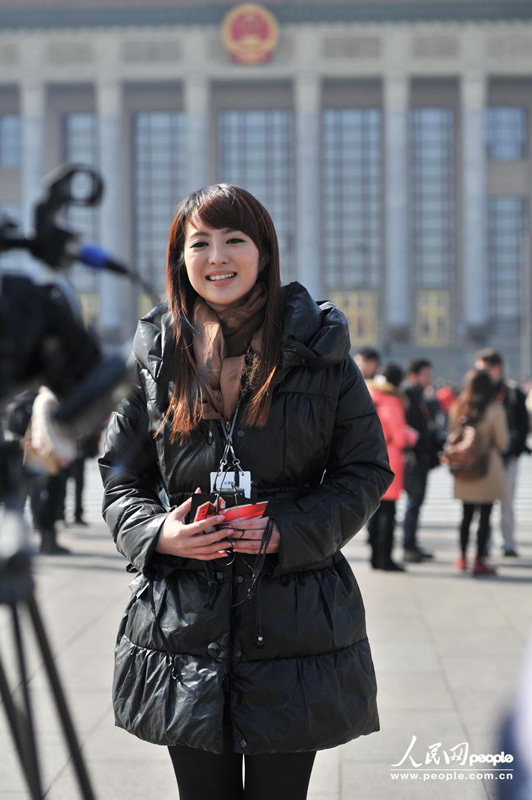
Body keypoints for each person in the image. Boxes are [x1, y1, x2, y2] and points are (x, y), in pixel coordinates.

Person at [99, 184, 393, 800]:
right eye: (199, 243)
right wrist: (159, 533)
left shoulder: (318, 350)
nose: (217, 257)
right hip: (185, 625)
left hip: (294, 621)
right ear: (181, 257)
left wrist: (289, 528)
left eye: (235, 240)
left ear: (264, 252)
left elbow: (365, 469)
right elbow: (121, 475)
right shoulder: (157, 354)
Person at [447, 369, 509, 576]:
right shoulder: (495, 410)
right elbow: (502, 441)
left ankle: (462, 556)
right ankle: (479, 559)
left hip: (464, 467)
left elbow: (450, 436)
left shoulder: (457, 408)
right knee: (485, 515)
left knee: (465, 515)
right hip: (487, 468)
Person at [475, 349, 530, 557]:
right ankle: (484, 543)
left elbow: (523, 426)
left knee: (507, 502)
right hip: (485, 459)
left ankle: (508, 542)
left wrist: (515, 451)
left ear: (496, 368)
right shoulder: (479, 393)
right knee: (484, 504)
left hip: (508, 457)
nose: (480, 373)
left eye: (483, 369)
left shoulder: (513, 393)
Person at [366, 363, 418, 571]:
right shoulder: (392, 401)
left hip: (369, 457)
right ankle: (384, 558)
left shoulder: (368, 394)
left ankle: (374, 557)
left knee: (374, 512)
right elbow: (400, 438)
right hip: (389, 460)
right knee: (388, 513)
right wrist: (413, 435)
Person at [402, 358, 443, 563]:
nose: (429, 379)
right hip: (413, 459)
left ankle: (412, 543)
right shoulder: (408, 397)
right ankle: (408, 546)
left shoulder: (420, 396)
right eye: (425, 375)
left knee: (416, 503)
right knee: (413, 502)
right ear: (413, 376)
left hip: (423, 457)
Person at [27, 386, 76, 554]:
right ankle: (48, 541)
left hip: (47, 454)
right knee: (50, 498)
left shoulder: (44, 398)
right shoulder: (48, 400)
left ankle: (49, 540)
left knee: (50, 497)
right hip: (51, 456)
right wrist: (62, 453)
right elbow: (47, 430)